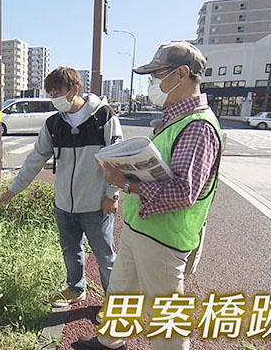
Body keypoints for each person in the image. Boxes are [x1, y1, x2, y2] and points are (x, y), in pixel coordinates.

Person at [77, 42, 223, 350]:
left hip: (165, 236)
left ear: (182, 74)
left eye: (156, 74)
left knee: (166, 311)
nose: (152, 83)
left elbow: (184, 192)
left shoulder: (197, 127)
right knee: (122, 289)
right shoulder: (175, 118)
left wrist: (126, 183)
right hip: (140, 225)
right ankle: (110, 341)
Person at [0, 66, 123, 307]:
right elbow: (35, 158)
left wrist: (112, 195)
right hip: (64, 205)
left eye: (58, 92)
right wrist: (14, 189)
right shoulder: (54, 124)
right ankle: (76, 288)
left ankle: (113, 302)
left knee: (106, 257)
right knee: (70, 251)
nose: (54, 97)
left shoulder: (104, 117)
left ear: (75, 89)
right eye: (51, 93)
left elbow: (118, 159)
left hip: (96, 204)